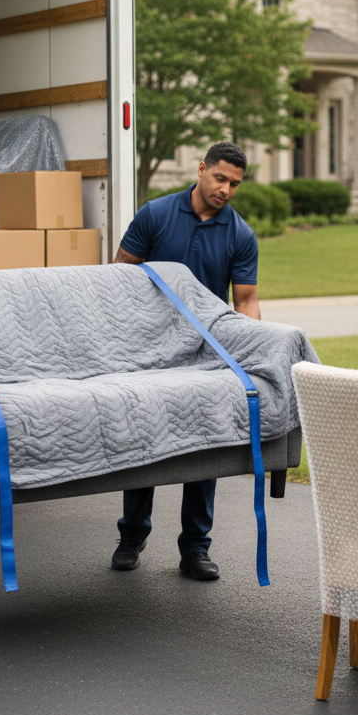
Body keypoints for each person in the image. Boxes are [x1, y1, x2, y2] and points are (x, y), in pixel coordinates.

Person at [110, 141, 261, 581]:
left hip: (204, 355)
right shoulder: (155, 215)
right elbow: (119, 278)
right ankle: (131, 536)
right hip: (147, 351)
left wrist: (249, 350)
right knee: (143, 441)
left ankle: (195, 549)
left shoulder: (240, 234)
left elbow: (246, 300)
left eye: (235, 183)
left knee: (204, 446)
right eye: (220, 178)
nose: (227, 189)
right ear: (201, 170)